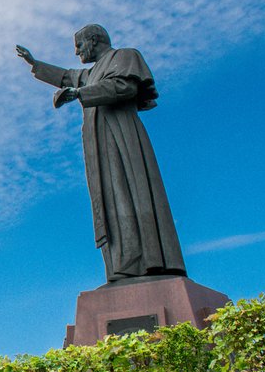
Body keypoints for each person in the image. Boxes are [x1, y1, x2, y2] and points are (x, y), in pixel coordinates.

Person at [16, 24, 186, 284]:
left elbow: (125, 87)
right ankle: (124, 265)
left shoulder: (125, 56)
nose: (76, 52)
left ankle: (150, 260)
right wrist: (34, 63)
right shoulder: (91, 73)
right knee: (111, 201)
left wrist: (80, 93)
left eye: (79, 45)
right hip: (99, 144)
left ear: (93, 40)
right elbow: (67, 76)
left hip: (123, 135)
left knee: (133, 193)